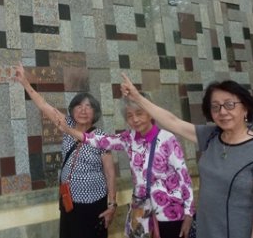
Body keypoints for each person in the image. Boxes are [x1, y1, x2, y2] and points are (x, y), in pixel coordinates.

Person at [119, 74, 253, 238]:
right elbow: (173, 121)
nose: (222, 111)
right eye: (215, 107)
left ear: (245, 108)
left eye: (230, 105)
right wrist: (137, 98)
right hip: (205, 231)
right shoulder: (211, 137)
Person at [56, 93, 194, 238]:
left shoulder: (167, 139)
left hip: (170, 211)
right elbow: (99, 140)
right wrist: (70, 130)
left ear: (150, 113)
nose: (135, 119)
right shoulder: (129, 138)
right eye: (129, 115)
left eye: (139, 113)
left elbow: (184, 177)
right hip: (140, 211)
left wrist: (189, 213)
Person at [13, 63, 116, 238]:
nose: (83, 110)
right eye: (79, 106)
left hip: (94, 203)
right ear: (72, 110)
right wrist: (25, 83)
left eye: (88, 107)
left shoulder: (100, 137)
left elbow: (110, 173)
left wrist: (112, 204)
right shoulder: (66, 124)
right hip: (69, 201)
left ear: (95, 112)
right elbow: (44, 105)